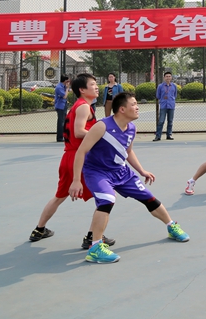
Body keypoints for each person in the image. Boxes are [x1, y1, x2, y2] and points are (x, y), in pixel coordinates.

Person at [70, 92, 189, 264]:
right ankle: (95, 248)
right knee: (107, 199)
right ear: (122, 109)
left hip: (122, 172)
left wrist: (142, 170)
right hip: (98, 172)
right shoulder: (102, 126)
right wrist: (76, 180)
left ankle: (171, 226)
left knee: (149, 198)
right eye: (133, 104)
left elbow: (128, 151)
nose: (137, 107)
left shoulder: (131, 128)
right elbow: (81, 151)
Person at [29, 73, 114, 250]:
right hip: (80, 158)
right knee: (104, 197)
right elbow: (79, 132)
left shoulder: (79, 106)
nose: (96, 87)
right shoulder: (83, 107)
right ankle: (92, 236)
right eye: (92, 84)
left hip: (68, 157)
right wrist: (103, 135)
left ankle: (39, 229)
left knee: (59, 196)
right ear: (82, 90)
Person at [154, 71, 177, 141]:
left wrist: (171, 99)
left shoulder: (174, 86)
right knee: (161, 121)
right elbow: (158, 95)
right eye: (166, 76)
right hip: (163, 105)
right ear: (164, 77)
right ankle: (158, 136)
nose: (168, 78)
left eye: (169, 76)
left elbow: (175, 95)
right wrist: (163, 99)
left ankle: (169, 135)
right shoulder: (160, 86)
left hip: (171, 105)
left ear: (171, 77)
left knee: (170, 121)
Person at [53, 75, 70, 143]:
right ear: (65, 81)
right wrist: (67, 88)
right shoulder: (59, 87)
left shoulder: (63, 86)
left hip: (64, 105)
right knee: (61, 122)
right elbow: (64, 96)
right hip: (60, 106)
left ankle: (63, 136)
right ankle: (59, 137)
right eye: (68, 81)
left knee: (64, 121)